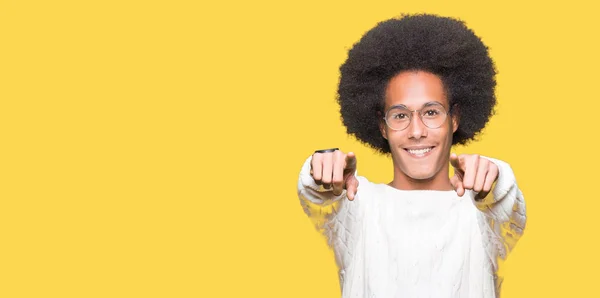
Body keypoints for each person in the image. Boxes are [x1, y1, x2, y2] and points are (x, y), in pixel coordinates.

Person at [297, 14, 527, 298]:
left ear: (454, 119)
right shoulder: (357, 206)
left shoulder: (482, 214)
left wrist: (494, 181)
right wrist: (321, 172)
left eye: (431, 112)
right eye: (400, 115)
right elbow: (320, 200)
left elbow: (505, 206)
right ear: (382, 126)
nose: (416, 131)